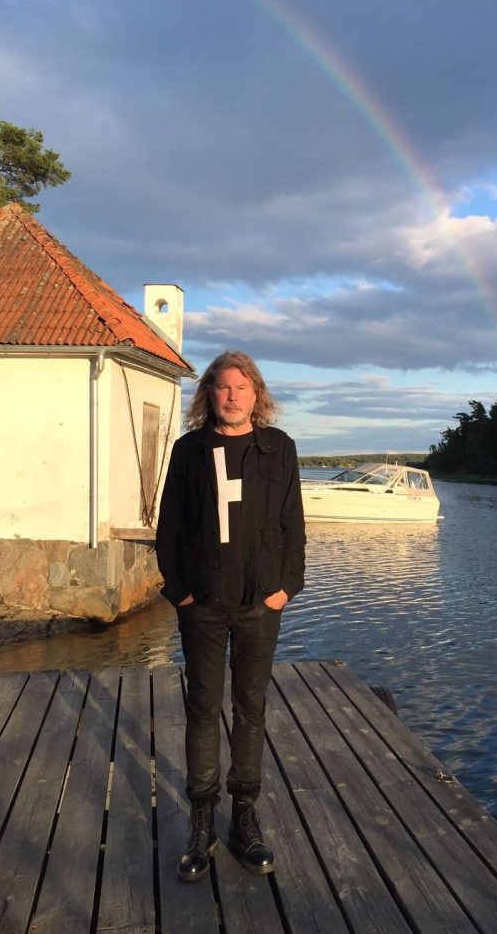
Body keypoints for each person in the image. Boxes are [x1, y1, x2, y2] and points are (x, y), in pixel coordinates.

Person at [156, 350, 306, 882]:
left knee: (251, 709)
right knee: (202, 708)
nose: (233, 395)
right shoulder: (190, 451)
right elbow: (169, 525)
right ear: (210, 394)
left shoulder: (278, 449)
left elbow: (293, 525)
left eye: (242, 387)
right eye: (223, 387)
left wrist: (286, 588)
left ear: (256, 394)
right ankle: (201, 819)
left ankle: (244, 815)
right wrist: (179, 592)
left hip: (259, 604)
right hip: (203, 605)